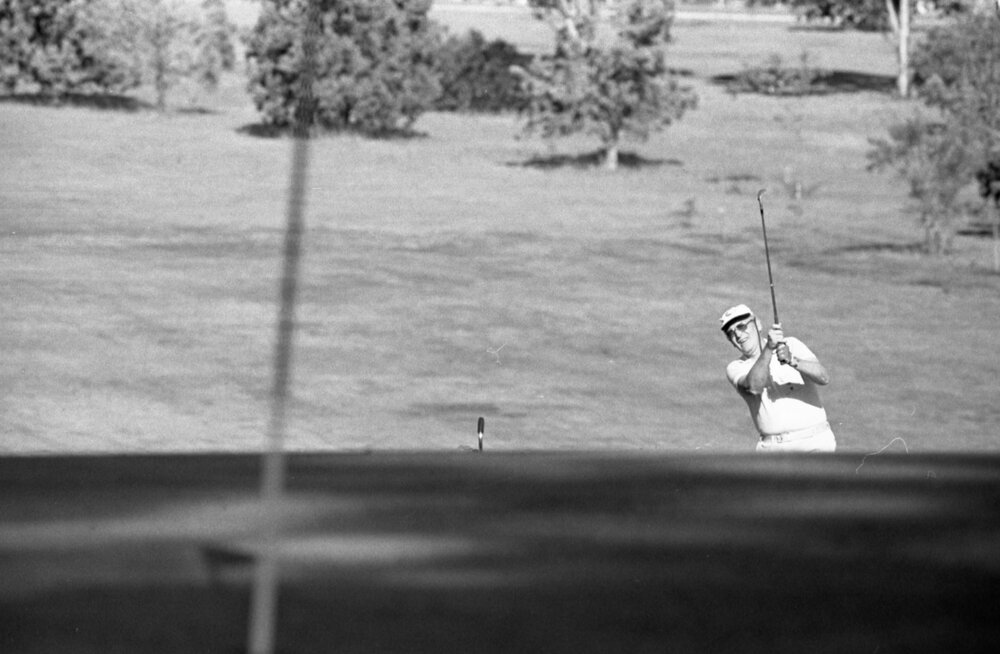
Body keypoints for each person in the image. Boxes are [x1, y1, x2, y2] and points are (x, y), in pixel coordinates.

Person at [719, 304, 836, 453]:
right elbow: (754, 386)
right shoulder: (736, 367)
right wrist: (769, 348)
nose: (739, 335)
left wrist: (793, 360)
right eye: (731, 333)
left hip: (816, 443)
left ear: (758, 324)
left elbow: (823, 377)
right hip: (775, 449)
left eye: (742, 326)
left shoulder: (791, 344)